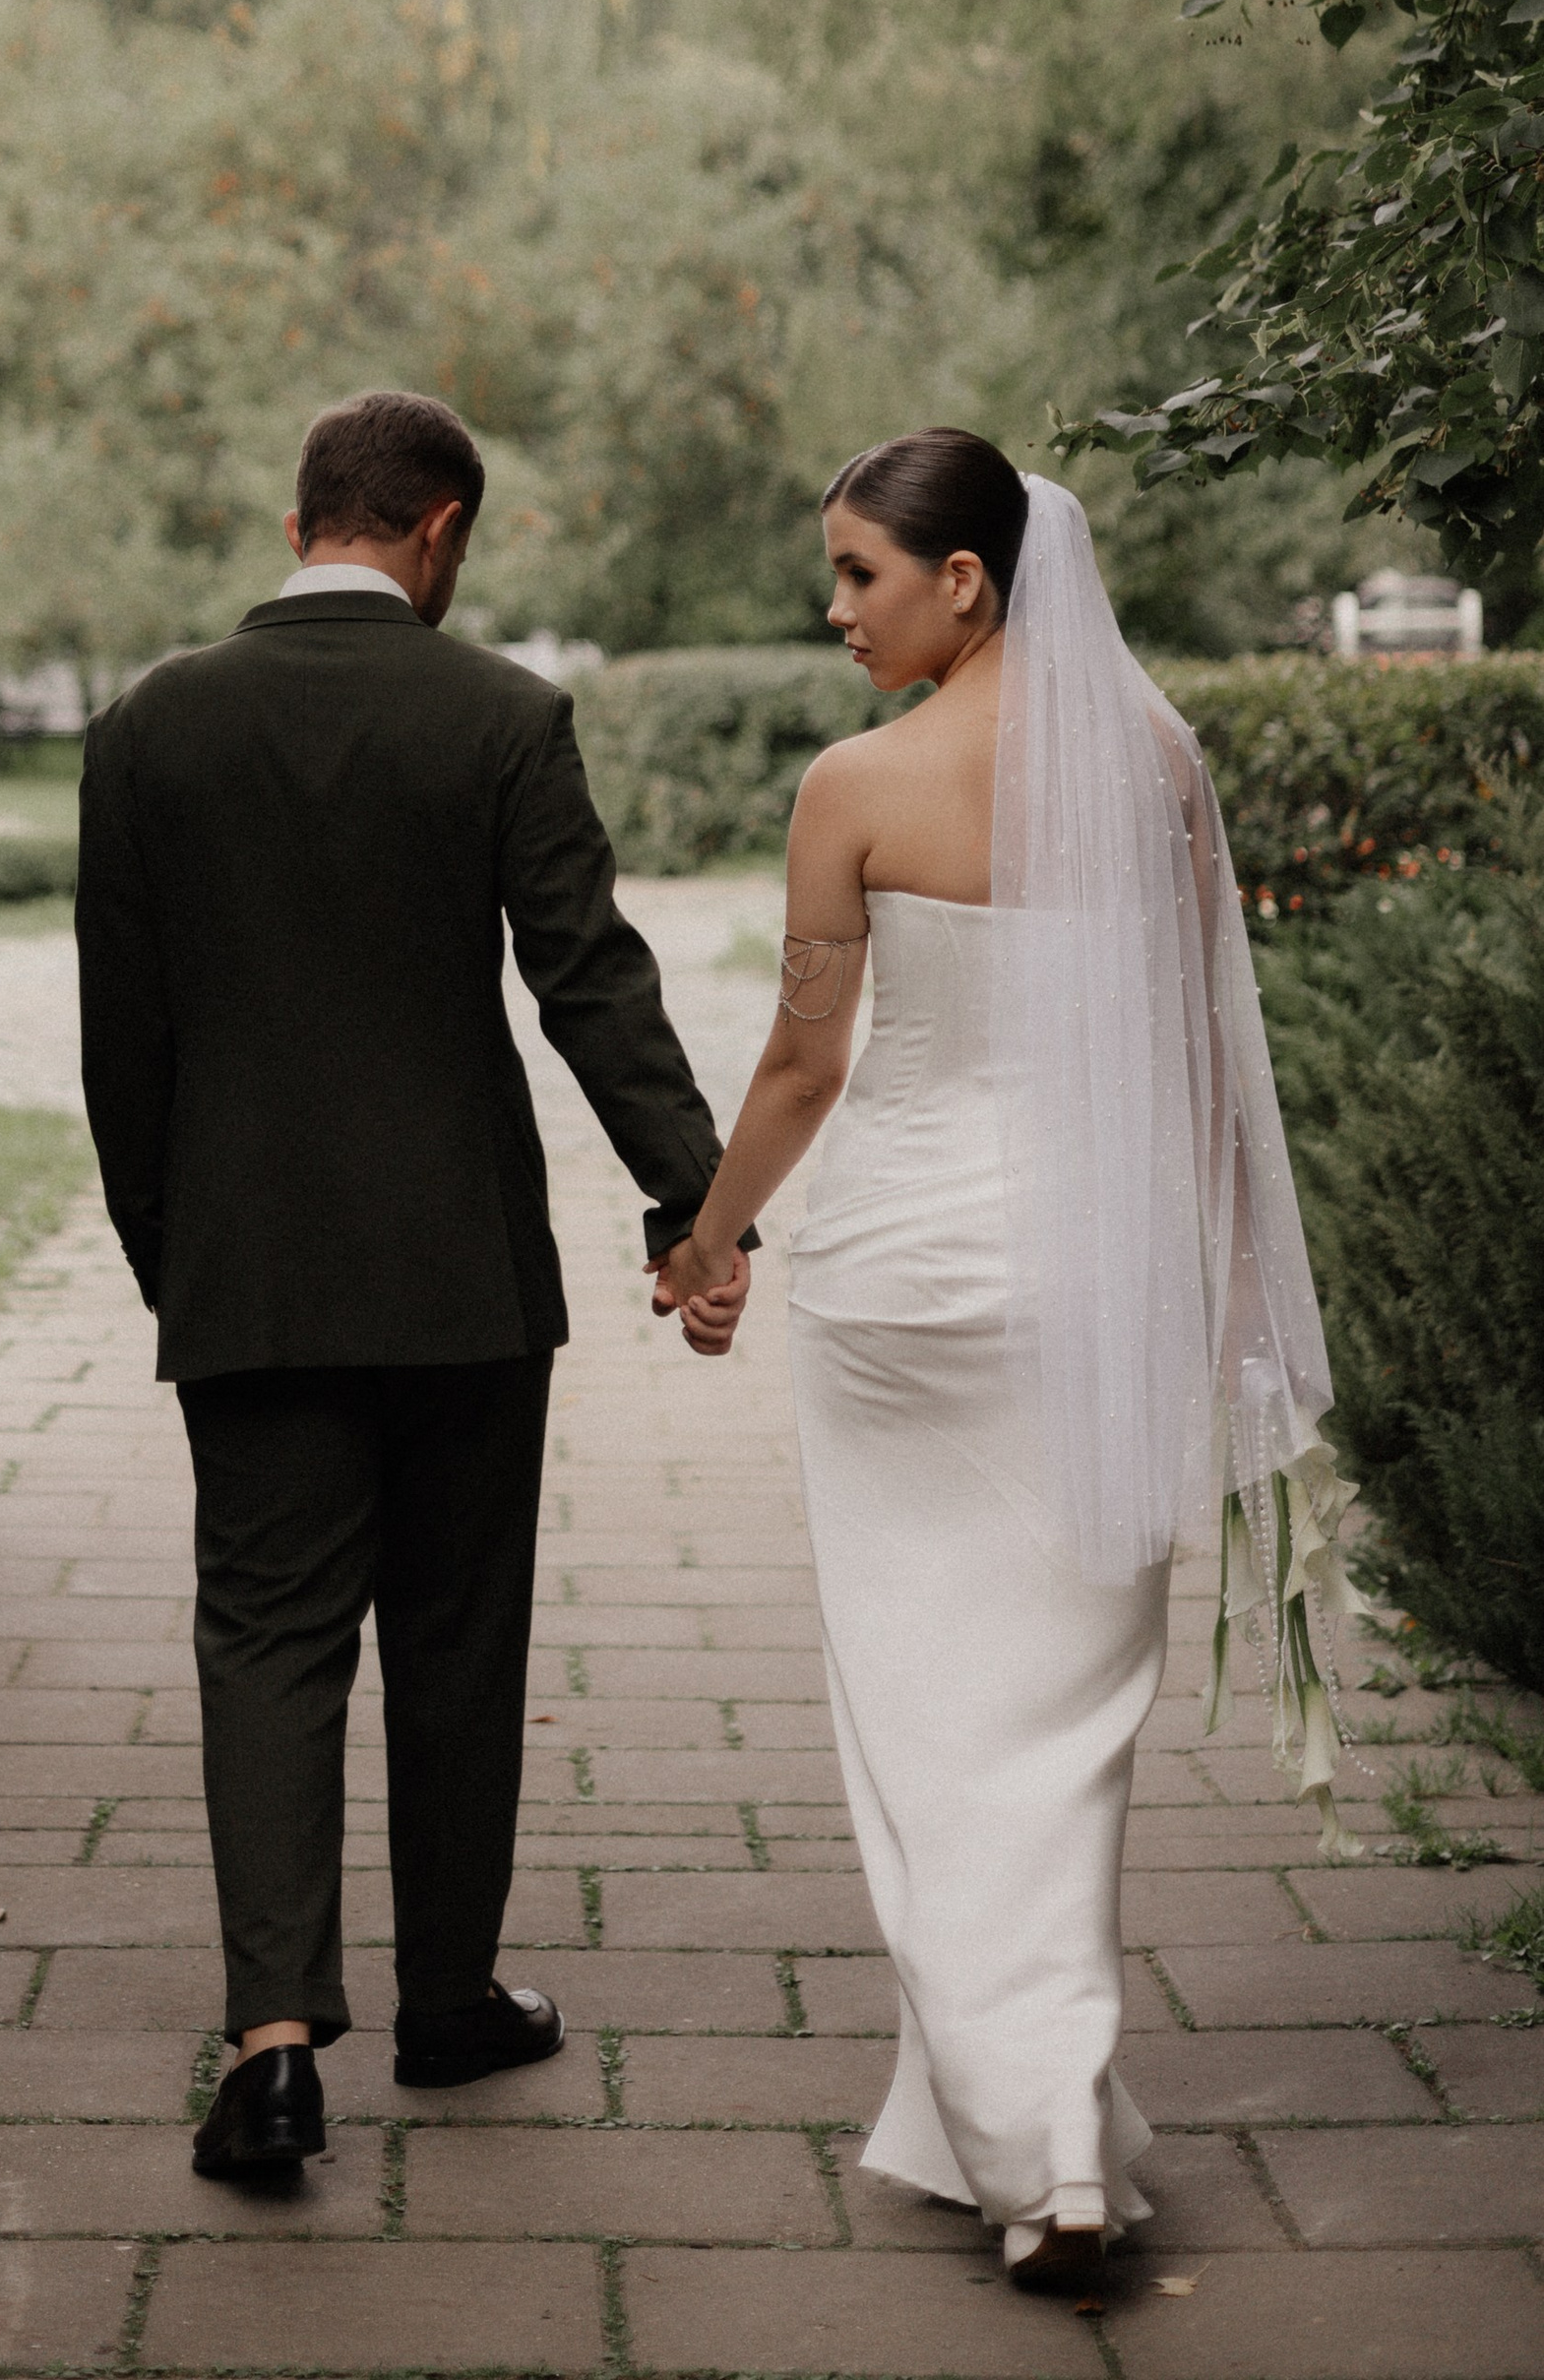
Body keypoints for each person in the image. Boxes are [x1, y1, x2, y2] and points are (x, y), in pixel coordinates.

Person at [650, 431, 1341, 2295]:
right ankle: (1043, 2132)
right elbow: (1201, 1058)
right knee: (1064, 1737)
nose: (836, 605)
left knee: (931, 1724)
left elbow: (804, 1067)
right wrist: (1211, 1301)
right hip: (1091, 1292)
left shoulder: (858, 784)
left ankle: (1037, 2148)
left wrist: (711, 1243)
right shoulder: (1160, 770)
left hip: (896, 1293)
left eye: (863, 570)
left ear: (968, 579)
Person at [78, 385, 750, 2181]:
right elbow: (590, 982)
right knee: (459, 1637)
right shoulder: (504, 717)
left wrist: (181, 1265)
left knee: (270, 1640)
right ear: (438, 528)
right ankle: (449, 2000)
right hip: (464, 1274)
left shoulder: (150, 729)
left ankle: (276, 2047)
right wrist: (703, 1208)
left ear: (307, 518)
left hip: (253, 1277)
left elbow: (118, 1048)